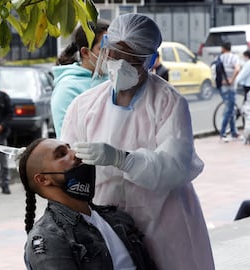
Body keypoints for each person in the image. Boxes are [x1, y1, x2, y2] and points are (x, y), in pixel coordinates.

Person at [61, 13, 214, 270]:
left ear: (150, 61)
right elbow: (66, 160)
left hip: (164, 220)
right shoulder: (84, 105)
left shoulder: (169, 103)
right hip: (107, 223)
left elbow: (175, 167)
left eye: (131, 60)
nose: (120, 65)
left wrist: (123, 160)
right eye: (114, 56)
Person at [18, 138, 157, 269]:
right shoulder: (49, 238)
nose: (76, 154)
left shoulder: (118, 218)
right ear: (43, 180)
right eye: (61, 154)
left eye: (70, 148)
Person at [51, 20, 109, 138]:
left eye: (113, 47)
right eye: (103, 49)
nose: (110, 54)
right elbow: (67, 138)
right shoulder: (67, 89)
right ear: (86, 52)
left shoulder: (114, 81)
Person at [217, 42, 241, 142]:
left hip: (222, 87)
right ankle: (222, 133)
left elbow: (214, 71)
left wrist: (221, 81)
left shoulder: (219, 58)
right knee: (229, 110)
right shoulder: (234, 57)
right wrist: (231, 79)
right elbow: (237, 69)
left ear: (223, 48)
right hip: (231, 87)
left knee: (230, 109)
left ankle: (233, 132)